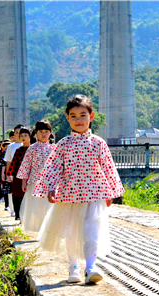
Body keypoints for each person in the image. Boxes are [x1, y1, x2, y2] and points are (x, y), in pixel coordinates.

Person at [33, 95, 124, 285]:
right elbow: (54, 167)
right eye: (73, 116)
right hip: (69, 195)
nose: (78, 120)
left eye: (83, 115)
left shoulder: (99, 143)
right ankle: (73, 267)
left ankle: (90, 268)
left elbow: (108, 167)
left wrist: (111, 191)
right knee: (71, 231)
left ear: (91, 116)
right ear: (67, 118)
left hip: (95, 193)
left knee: (92, 230)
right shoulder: (64, 144)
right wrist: (51, 187)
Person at [16, 119, 56, 231]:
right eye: (40, 132)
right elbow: (26, 165)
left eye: (46, 131)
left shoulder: (55, 148)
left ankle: (49, 229)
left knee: (49, 206)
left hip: (50, 184)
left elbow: (58, 166)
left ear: (50, 133)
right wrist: (24, 181)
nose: (43, 134)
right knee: (37, 207)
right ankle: (39, 229)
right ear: (35, 133)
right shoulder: (32, 148)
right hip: (34, 182)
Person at [7, 127, 31, 220]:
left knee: (28, 196)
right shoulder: (18, 150)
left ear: (30, 136)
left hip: (30, 176)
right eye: (21, 136)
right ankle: (18, 214)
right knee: (17, 194)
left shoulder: (33, 149)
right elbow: (13, 163)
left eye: (25, 135)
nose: (23, 137)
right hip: (18, 175)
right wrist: (9, 174)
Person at [4, 125, 23, 217]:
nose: (19, 134)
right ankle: (16, 212)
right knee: (15, 193)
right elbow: (8, 162)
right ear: (14, 133)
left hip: (26, 174)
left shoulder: (28, 145)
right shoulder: (11, 147)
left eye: (21, 132)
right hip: (15, 173)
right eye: (17, 132)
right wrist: (8, 174)